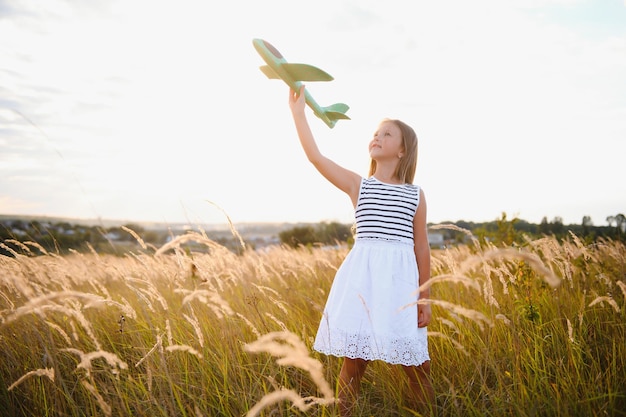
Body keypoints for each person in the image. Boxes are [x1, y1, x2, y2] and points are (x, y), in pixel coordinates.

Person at [288, 86, 434, 415]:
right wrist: (299, 114)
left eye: (387, 134)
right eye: (375, 133)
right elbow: (316, 157)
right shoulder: (359, 185)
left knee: (417, 367)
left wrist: (424, 298)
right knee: (354, 365)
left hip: (400, 287)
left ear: (402, 150)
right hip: (362, 284)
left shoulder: (415, 195)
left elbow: (421, 247)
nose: (377, 137)